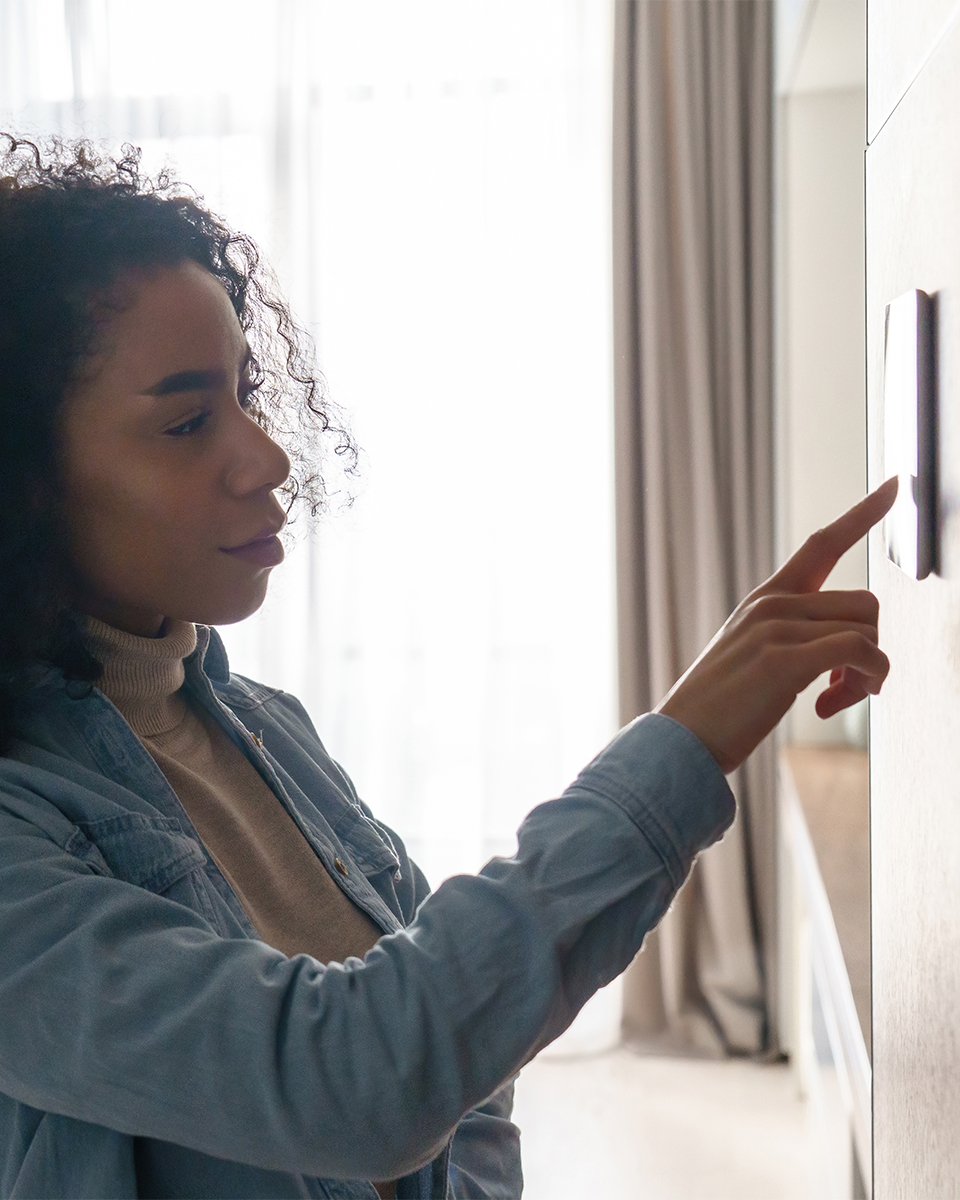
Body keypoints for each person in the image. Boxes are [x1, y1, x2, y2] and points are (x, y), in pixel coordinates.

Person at [0, 134, 894, 1200]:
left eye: (246, 395)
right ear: (26, 480)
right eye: (189, 422)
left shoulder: (267, 728)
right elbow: (354, 1078)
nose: (269, 457)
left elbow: (459, 1048)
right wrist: (684, 744)